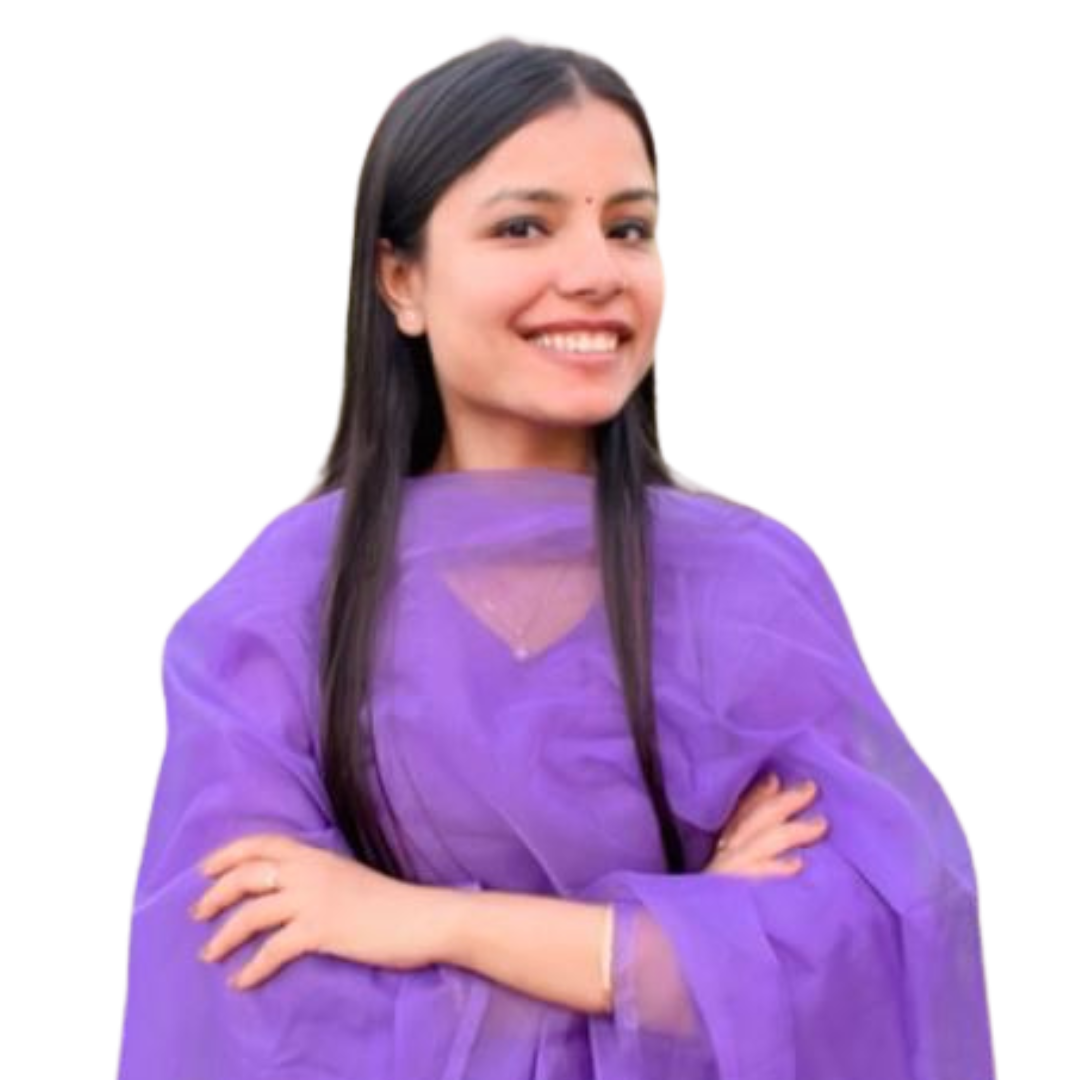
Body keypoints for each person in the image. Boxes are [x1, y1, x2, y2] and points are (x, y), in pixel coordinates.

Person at [117, 32, 997, 1079]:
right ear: (401, 280)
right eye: (523, 226)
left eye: (630, 228)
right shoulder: (284, 607)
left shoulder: (749, 587)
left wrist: (422, 921)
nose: (593, 273)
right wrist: (686, 950)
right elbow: (253, 1002)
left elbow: (870, 945)